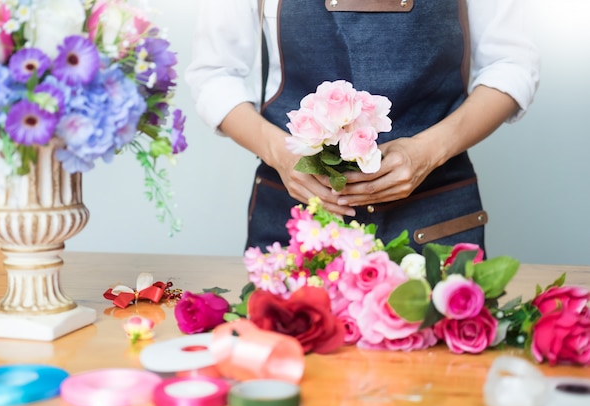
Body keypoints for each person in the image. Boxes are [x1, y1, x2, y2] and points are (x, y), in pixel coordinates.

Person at [185, 0, 540, 253]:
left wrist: (430, 151)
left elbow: (511, 65)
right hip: (299, 223)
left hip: (434, 222)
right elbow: (214, 74)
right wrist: (280, 152)